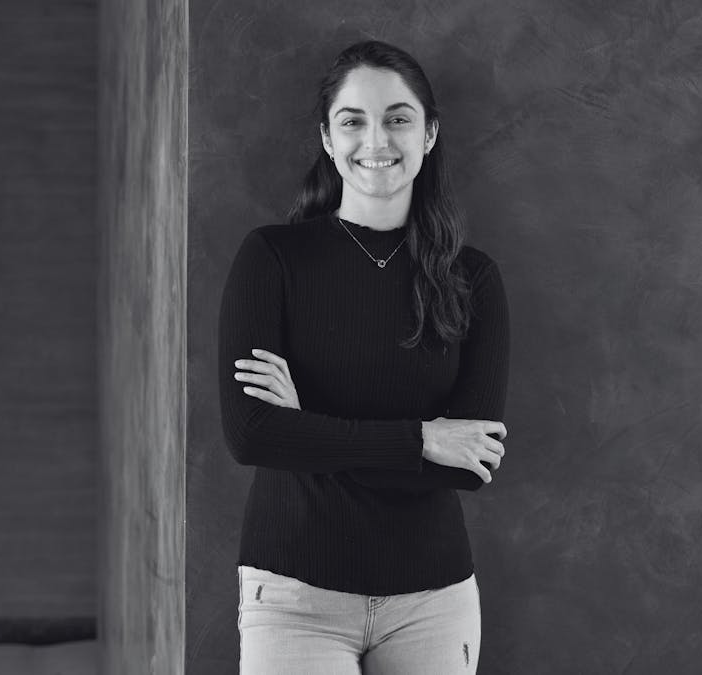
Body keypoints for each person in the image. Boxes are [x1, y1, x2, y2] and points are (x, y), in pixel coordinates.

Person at [218, 39, 510, 674]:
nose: (376, 140)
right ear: (327, 137)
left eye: (398, 118)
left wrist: (311, 433)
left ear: (429, 134)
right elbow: (253, 436)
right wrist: (422, 441)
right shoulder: (272, 260)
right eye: (353, 120)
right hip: (294, 593)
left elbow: (470, 466)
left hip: (434, 600)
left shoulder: (473, 280)